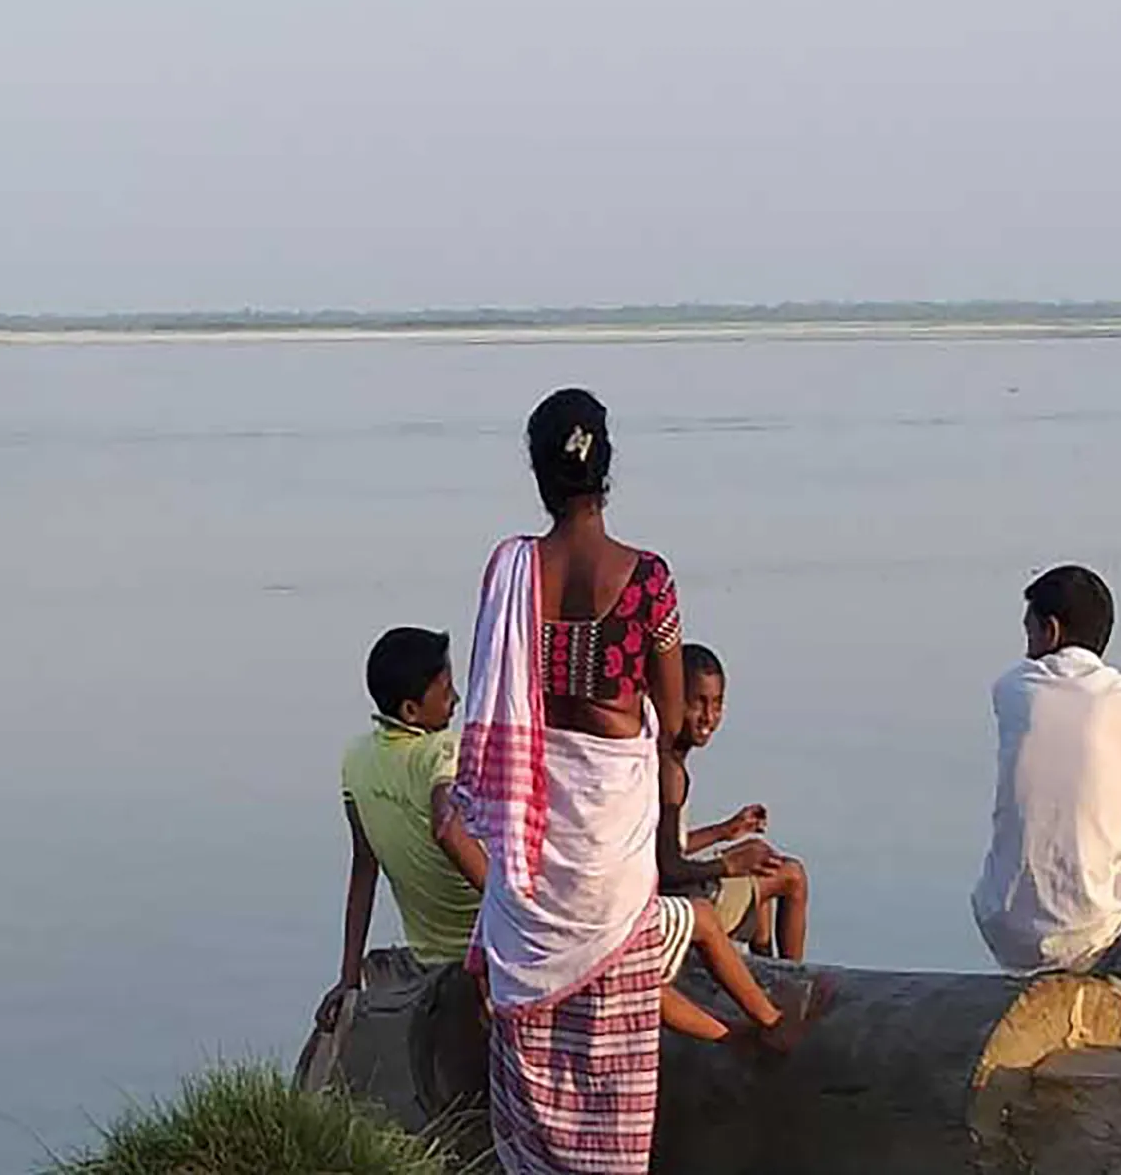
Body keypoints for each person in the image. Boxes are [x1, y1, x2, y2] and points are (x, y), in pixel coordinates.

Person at [459, 389, 817, 1175]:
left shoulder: (512, 570)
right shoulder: (647, 578)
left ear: (538, 473)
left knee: (538, 1023)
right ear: (608, 468)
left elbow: (494, 693)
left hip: (536, 835)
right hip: (607, 829)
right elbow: (667, 697)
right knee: (614, 1013)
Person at [974, 566, 1121, 986]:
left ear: (1051, 631)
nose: (1027, 649)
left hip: (1001, 927)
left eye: (1030, 634)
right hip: (1087, 937)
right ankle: (1119, 979)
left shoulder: (1010, 688)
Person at [326, 627, 488, 1022]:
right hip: (480, 945)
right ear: (410, 711)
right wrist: (517, 905)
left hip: (428, 954)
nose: (456, 700)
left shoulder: (356, 760)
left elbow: (364, 867)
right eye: (446, 690)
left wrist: (349, 978)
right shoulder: (443, 751)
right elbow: (446, 822)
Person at [664, 643, 810, 958]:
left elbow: (664, 847)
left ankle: (763, 967)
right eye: (698, 704)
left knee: (760, 865)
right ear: (674, 700)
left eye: (717, 705)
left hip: (673, 890)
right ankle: (791, 980)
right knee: (792, 875)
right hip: (678, 903)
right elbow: (666, 867)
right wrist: (729, 864)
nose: (709, 717)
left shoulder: (664, 757)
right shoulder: (669, 772)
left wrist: (725, 830)